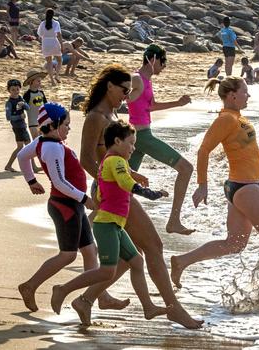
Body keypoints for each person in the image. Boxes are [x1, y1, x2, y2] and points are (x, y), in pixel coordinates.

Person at [76, 64, 203, 329]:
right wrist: (104, 185)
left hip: (118, 189)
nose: (127, 95)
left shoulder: (110, 113)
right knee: (154, 246)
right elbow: (86, 158)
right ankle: (173, 308)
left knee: (129, 257)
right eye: (124, 90)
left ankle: (87, 299)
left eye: (130, 91)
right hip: (111, 192)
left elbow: (110, 155)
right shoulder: (96, 117)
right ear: (109, 86)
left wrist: (131, 172)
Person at [169, 76, 259, 289]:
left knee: (234, 244)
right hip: (246, 188)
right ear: (233, 95)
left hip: (241, 187)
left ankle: (181, 261)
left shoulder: (238, 119)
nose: (248, 95)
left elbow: (251, 151)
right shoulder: (226, 119)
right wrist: (202, 184)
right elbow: (204, 149)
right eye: (245, 91)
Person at [50, 120, 171, 323]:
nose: (133, 148)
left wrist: (134, 176)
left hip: (115, 224)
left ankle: (148, 307)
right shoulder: (116, 161)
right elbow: (125, 182)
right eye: (131, 143)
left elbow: (118, 182)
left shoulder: (113, 160)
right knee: (107, 270)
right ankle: (63, 289)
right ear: (117, 141)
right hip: (107, 225)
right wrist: (151, 194)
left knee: (136, 261)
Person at [15, 102, 100, 312]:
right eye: (66, 124)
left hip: (73, 205)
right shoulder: (51, 147)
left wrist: (31, 180)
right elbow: (60, 182)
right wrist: (84, 199)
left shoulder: (42, 142)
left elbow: (22, 156)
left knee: (90, 252)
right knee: (68, 255)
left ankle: (93, 297)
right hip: (65, 206)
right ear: (53, 125)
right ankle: (30, 286)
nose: (69, 128)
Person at [127, 44, 195, 235]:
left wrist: (178, 103)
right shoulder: (138, 79)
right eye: (163, 63)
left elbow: (151, 107)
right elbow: (127, 86)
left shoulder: (147, 81)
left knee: (122, 186)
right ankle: (174, 221)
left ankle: (88, 228)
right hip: (142, 137)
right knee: (186, 168)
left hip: (137, 139)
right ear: (154, 59)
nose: (164, 67)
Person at [4, 79, 37, 172]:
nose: (15, 92)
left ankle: (9, 165)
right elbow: (8, 117)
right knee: (27, 146)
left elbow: (28, 108)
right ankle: (33, 167)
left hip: (22, 126)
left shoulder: (20, 98)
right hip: (18, 127)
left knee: (21, 147)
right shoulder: (9, 103)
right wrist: (19, 116)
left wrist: (24, 104)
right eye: (13, 90)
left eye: (17, 89)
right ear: (9, 90)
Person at [37, 8, 63, 85]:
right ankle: (57, 75)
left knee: (49, 62)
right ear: (53, 15)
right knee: (59, 60)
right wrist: (61, 45)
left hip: (45, 42)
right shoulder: (56, 23)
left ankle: (52, 80)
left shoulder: (42, 23)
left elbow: (40, 35)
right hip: (54, 41)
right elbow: (59, 35)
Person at [22, 70, 48, 143]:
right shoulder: (27, 94)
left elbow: (46, 105)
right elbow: (22, 106)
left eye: (40, 81)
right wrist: (22, 113)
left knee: (43, 141)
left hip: (42, 121)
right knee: (36, 142)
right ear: (31, 82)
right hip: (32, 122)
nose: (40, 82)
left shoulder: (41, 93)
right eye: (38, 81)